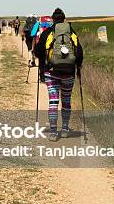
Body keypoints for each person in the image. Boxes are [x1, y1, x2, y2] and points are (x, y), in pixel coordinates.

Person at [34, 8, 83, 141]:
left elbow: (37, 52)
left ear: (53, 19)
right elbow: (79, 53)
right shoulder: (71, 33)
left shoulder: (49, 32)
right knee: (66, 101)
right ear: (64, 19)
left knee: (53, 102)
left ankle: (54, 132)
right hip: (69, 73)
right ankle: (65, 129)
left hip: (51, 72)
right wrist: (78, 68)